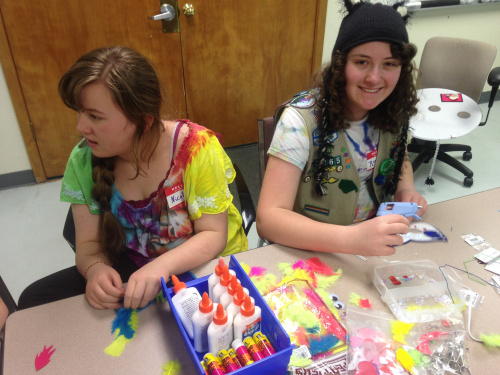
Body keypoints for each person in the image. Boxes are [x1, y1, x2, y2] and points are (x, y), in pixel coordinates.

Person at [18, 46, 247, 310]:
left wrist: (160, 268)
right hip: (139, 269)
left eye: (94, 116)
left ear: (144, 121)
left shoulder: (196, 149)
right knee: (31, 301)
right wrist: (95, 270)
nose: (80, 127)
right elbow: (89, 245)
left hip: (209, 266)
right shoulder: (83, 160)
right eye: (79, 112)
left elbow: (213, 235)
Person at [256, 0, 427, 257]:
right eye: (362, 62)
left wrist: (406, 189)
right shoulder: (298, 122)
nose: (374, 78)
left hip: (368, 246)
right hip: (313, 249)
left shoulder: (392, 108)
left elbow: (398, 155)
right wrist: (351, 238)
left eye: (389, 64)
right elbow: (268, 219)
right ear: (340, 65)